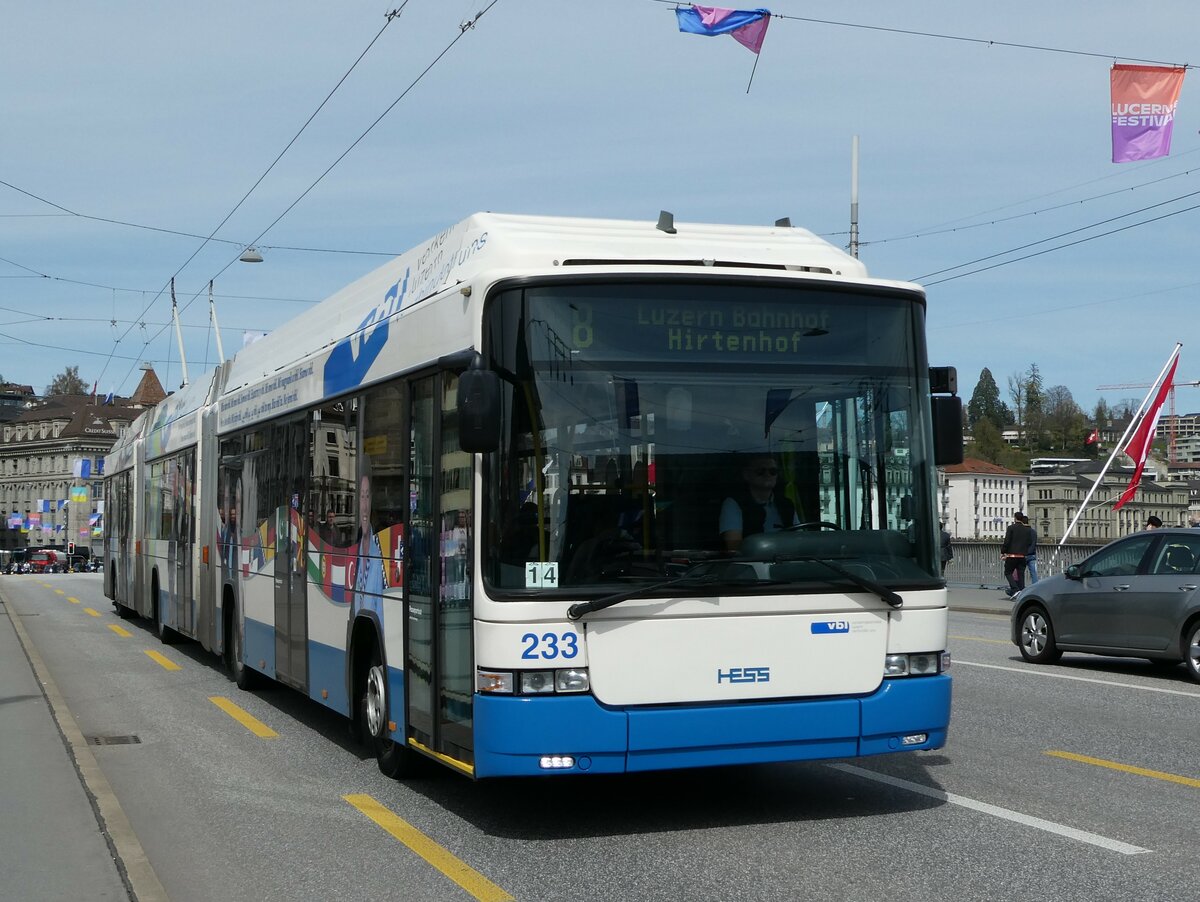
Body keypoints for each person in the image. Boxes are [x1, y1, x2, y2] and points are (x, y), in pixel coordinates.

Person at [719, 454, 800, 552]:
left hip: (786, 561)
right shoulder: (733, 503)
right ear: (746, 475)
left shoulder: (786, 504)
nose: (768, 475)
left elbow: (799, 539)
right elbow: (735, 548)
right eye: (760, 471)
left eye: (773, 471)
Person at [1001, 511, 1033, 598]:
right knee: (1021, 574)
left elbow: (1007, 541)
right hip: (1022, 556)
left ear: (1015, 518)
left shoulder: (1011, 528)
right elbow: (1029, 542)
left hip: (1012, 555)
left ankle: (1015, 589)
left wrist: (1003, 552)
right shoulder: (1027, 529)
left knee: (1008, 572)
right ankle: (1022, 591)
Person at [1020, 513, 1039, 584]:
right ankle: (1035, 587)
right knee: (1033, 573)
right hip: (1032, 554)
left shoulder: (1022, 532)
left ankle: (1020, 588)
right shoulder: (1033, 532)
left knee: (1020, 572)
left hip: (1022, 554)